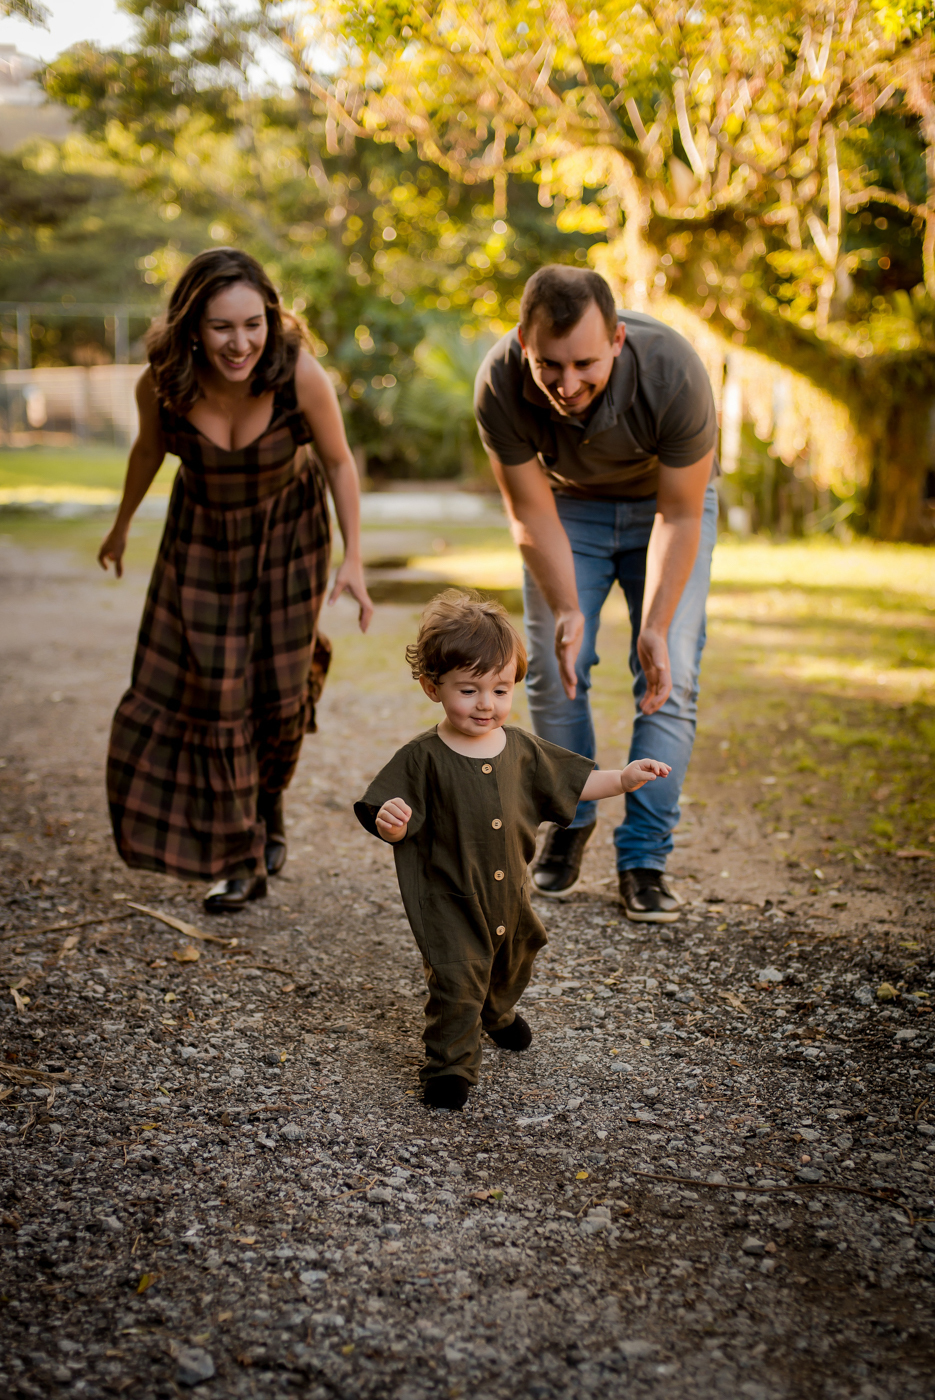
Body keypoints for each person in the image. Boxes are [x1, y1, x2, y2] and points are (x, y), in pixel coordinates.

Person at [99, 247, 373, 912]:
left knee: (278, 699)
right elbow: (146, 452)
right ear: (192, 325)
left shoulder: (295, 374)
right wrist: (121, 524)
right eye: (223, 327)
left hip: (289, 540)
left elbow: (337, 463)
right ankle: (239, 855)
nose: (241, 342)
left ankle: (267, 806)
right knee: (214, 697)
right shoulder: (162, 383)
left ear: (271, 319)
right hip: (201, 544)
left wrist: (354, 559)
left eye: (253, 323)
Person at [354, 591, 670, 1109]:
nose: (486, 704)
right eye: (469, 689)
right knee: (458, 977)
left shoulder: (520, 747)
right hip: (450, 897)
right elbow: (387, 815)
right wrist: (392, 825)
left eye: (500, 689)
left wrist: (624, 778)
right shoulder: (422, 758)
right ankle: (450, 1066)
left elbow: (573, 782)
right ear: (433, 688)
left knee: (514, 959)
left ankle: (497, 1014)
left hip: (509, 893)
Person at [474, 265, 718, 923]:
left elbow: (681, 513)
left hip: (663, 508)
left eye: (584, 362)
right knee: (555, 671)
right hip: (565, 511)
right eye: (548, 364)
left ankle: (643, 859)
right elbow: (529, 511)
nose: (566, 383)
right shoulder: (499, 381)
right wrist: (565, 611)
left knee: (669, 672)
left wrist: (655, 625)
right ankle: (572, 816)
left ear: (615, 340)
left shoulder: (672, 370)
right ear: (523, 342)